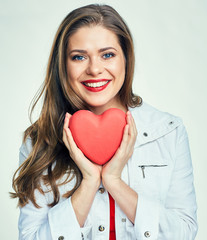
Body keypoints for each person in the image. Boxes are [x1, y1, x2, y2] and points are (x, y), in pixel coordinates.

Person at [11, 4, 198, 240]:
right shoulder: (41, 140)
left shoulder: (168, 132)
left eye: (107, 54)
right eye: (79, 57)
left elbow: (184, 233)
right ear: (63, 65)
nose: (95, 69)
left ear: (126, 59)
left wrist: (113, 182)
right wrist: (90, 182)